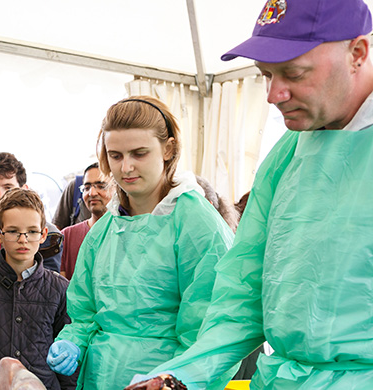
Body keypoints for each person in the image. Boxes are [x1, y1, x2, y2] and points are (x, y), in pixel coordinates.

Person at [127, 1, 373, 389]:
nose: (274, 95)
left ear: (357, 53)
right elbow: (245, 285)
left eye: (293, 73)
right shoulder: (287, 154)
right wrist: (183, 373)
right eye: (265, 75)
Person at [46, 96, 236, 390]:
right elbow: (84, 313)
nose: (126, 168)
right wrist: (73, 341)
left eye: (139, 153)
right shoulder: (104, 230)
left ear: (168, 149)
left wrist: (175, 380)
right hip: (101, 377)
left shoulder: (196, 224)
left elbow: (212, 331)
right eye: (116, 155)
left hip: (164, 380)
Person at [0, 188, 77, 390]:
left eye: (32, 231)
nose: (23, 239)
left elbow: (67, 360)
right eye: (14, 231)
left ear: (43, 235)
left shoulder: (60, 289)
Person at [0, 152, 62, 284]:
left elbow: (47, 288)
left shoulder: (50, 235)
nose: (0, 195)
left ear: (24, 189)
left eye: (8, 187)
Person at [59, 162, 115, 280]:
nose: (92, 193)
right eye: (87, 187)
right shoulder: (67, 236)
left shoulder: (126, 233)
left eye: (101, 186)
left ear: (117, 189)